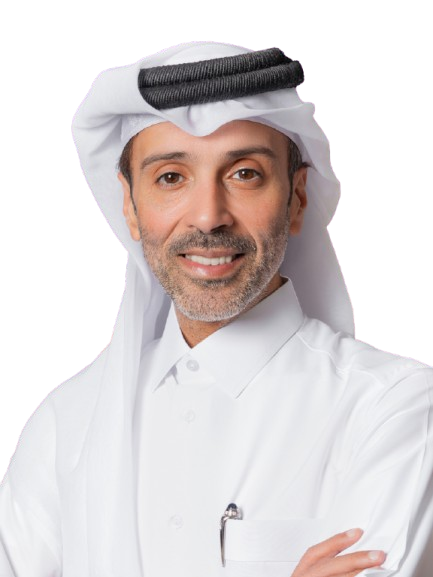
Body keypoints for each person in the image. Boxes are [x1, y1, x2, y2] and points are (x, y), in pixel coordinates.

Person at [0, 42, 432, 577]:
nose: (209, 216)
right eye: (171, 177)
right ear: (130, 207)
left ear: (297, 196)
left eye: (244, 173)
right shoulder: (65, 422)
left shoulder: (395, 407)